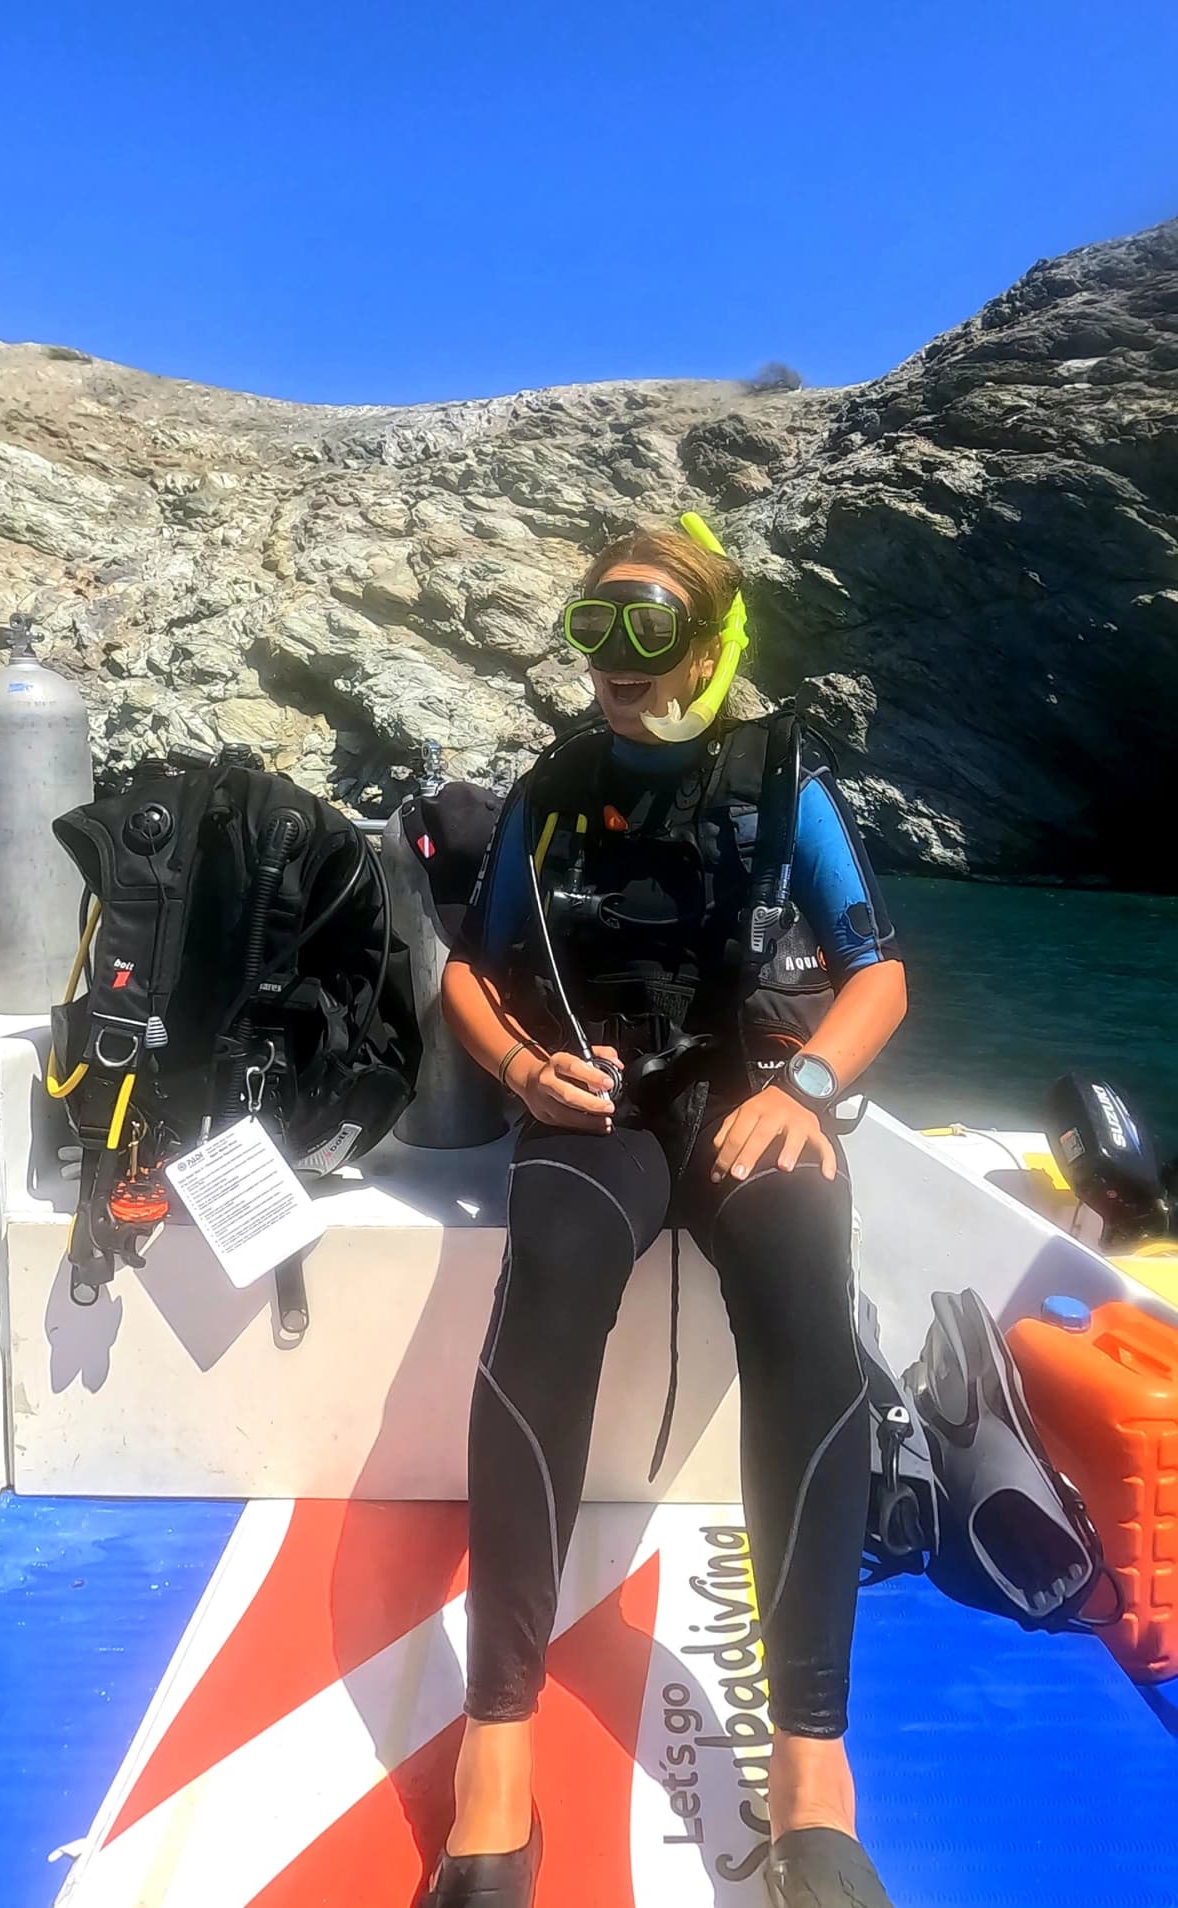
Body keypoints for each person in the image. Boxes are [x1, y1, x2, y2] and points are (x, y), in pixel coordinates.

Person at [427, 519, 908, 1908]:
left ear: (711, 645)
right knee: (552, 1279)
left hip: (747, 1098)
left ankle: (814, 1771)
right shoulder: (559, 784)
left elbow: (877, 974)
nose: (617, 670)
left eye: (648, 635)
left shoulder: (780, 782)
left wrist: (804, 1087)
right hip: (599, 1111)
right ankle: (496, 1758)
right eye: (595, 633)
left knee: (807, 1291)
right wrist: (526, 1069)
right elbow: (473, 971)